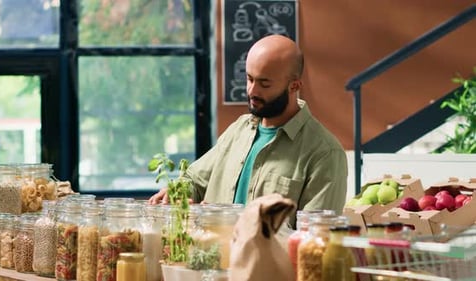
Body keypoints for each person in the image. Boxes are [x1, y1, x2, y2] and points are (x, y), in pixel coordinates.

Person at [149, 34, 348, 228]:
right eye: (249, 79)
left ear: (294, 86)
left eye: (264, 83)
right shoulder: (238, 130)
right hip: (212, 260)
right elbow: (195, 180)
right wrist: (178, 192)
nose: (252, 91)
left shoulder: (325, 153)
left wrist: (231, 223)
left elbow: (314, 242)